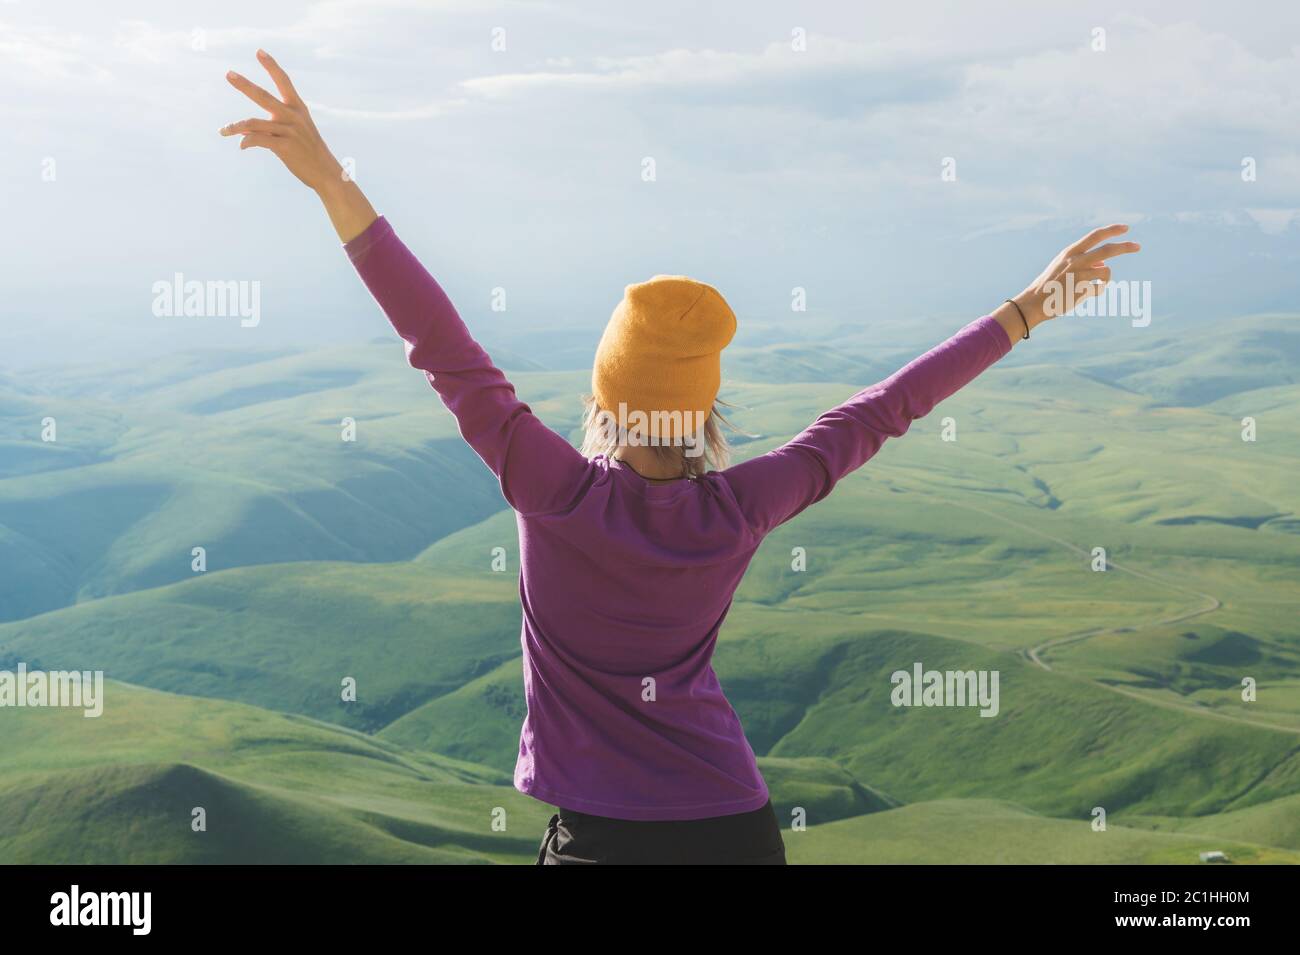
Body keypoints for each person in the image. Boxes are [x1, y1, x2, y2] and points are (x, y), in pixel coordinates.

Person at [220, 50, 1140, 865]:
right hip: (735, 828)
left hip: (601, 839)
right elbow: (884, 411)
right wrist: (1027, 309)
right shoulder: (740, 508)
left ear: (600, 402)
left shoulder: (549, 487)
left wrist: (332, 180)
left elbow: (440, 342)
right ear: (706, 415)